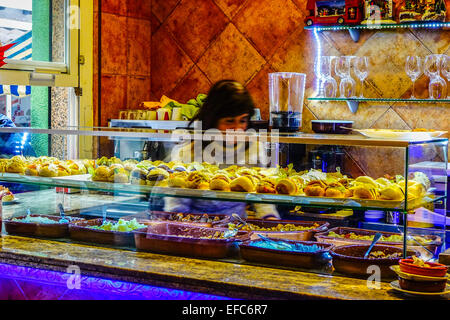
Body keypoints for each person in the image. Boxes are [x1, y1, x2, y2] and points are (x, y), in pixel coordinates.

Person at [162, 80, 280, 220]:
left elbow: (262, 198)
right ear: (213, 119)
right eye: (229, 121)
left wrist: (270, 220)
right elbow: (176, 205)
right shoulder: (188, 151)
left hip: (236, 230)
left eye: (242, 121)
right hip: (193, 229)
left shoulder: (253, 148)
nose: (237, 129)